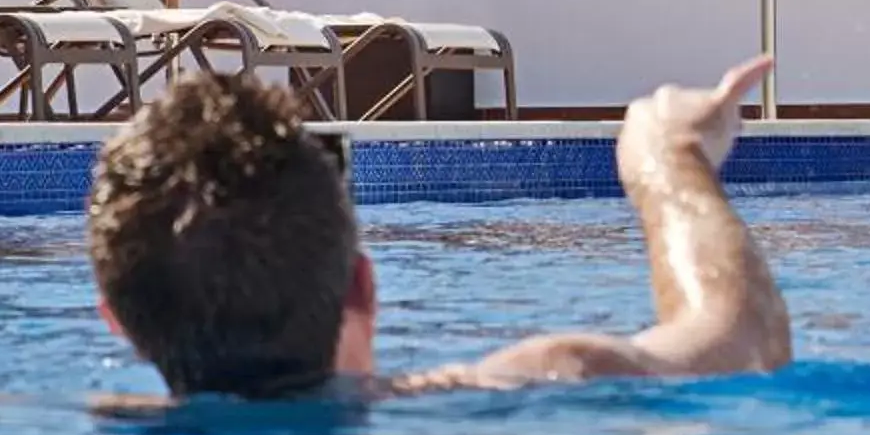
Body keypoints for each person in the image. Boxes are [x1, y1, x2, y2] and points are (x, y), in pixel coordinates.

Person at [87, 56, 790, 400]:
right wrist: (665, 157)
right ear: (363, 284)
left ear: (116, 318)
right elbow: (740, 335)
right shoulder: (522, 387)